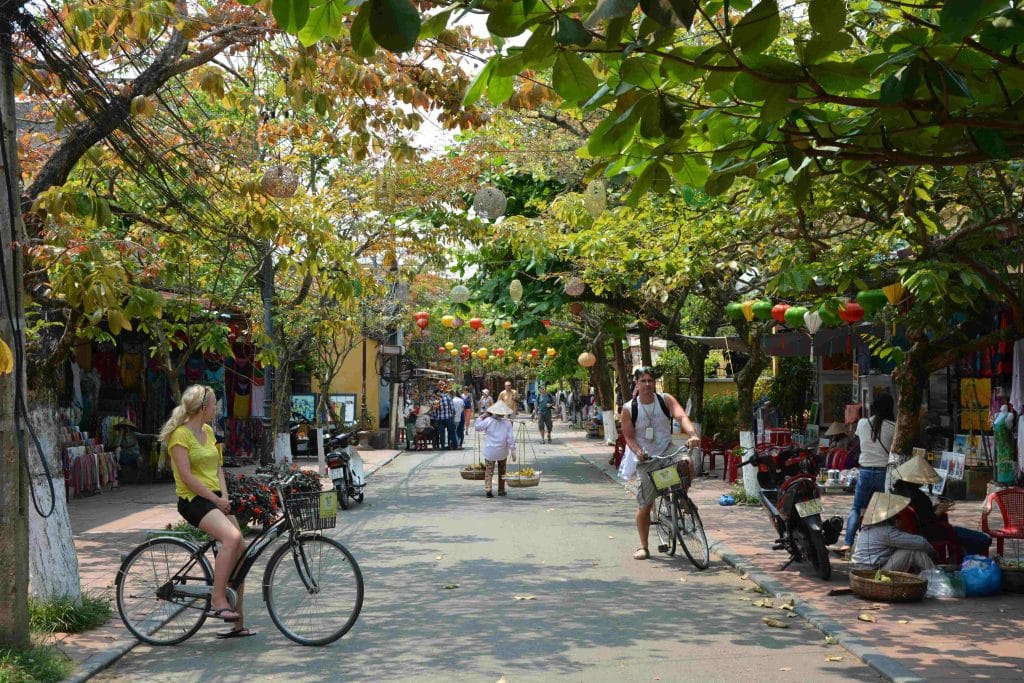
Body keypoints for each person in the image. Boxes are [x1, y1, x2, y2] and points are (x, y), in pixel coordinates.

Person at [160, 385, 251, 637]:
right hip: (194, 501)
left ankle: (237, 622)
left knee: (242, 552)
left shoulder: (208, 431)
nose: (217, 409)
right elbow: (187, 478)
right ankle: (217, 599)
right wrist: (214, 499)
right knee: (231, 539)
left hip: (215, 499)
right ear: (203, 408)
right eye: (214, 405)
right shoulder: (180, 436)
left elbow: (218, 468)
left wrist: (224, 497)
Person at [620, 367, 700, 560]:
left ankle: (682, 497)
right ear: (636, 383)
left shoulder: (665, 400)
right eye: (643, 381)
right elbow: (629, 437)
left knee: (687, 462)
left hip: (668, 450)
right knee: (645, 506)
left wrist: (692, 434)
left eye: (650, 381)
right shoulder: (629, 409)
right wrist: (638, 452)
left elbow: (681, 417)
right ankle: (644, 546)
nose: (647, 384)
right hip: (647, 459)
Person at [891, 454, 992, 556]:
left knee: (962, 534)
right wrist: (938, 512)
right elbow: (926, 520)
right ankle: (971, 560)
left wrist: (936, 509)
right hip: (925, 533)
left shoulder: (897, 491)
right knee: (984, 539)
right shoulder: (917, 496)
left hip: (909, 532)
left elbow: (920, 513)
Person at [838, 393, 895, 554]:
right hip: (884, 474)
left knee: (857, 508)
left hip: (865, 472)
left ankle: (847, 543)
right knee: (885, 511)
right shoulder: (893, 427)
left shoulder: (862, 423)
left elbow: (857, 443)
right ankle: (883, 545)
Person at [850, 492, 937, 574]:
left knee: (912, 548)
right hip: (873, 573)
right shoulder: (885, 532)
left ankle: (932, 575)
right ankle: (937, 578)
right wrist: (932, 552)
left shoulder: (868, 527)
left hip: (864, 569)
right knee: (913, 550)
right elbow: (921, 543)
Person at [475, 401, 516, 498]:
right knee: (502, 471)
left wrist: (481, 416)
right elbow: (510, 438)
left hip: (490, 451)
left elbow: (477, 427)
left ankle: (488, 489)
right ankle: (501, 490)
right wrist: (513, 450)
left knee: (489, 471)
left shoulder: (488, 420)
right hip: (502, 451)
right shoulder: (507, 422)